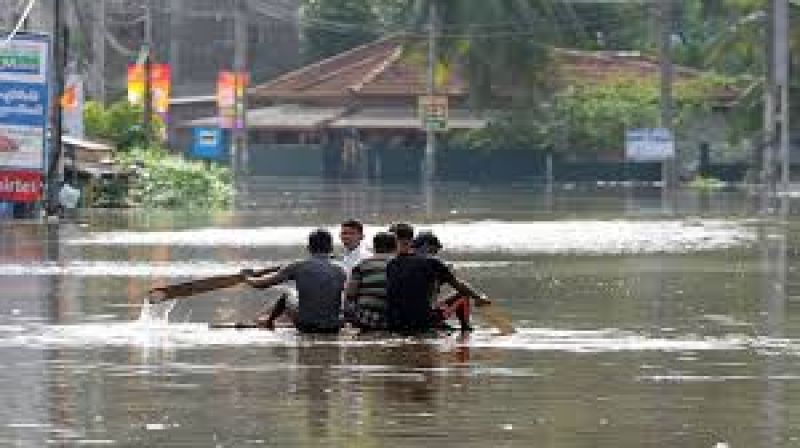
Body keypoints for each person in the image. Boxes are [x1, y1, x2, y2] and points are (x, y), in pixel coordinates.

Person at [385, 225, 491, 333]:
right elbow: (460, 286)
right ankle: (466, 329)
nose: (435, 254)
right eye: (434, 251)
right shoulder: (432, 262)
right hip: (423, 322)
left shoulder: (391, 264)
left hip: (395, 322)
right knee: (463, 295)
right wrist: (479, 298)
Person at [242, 228, 346, 334]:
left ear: (308, 248)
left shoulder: (298, 266)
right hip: (333, 326)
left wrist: (246, 277)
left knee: (288, 294)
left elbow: (260, 284)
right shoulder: (341, 270)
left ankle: (269, 322)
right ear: (331, 248)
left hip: (305, 324)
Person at [344, 232, 396, 331]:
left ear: (374, 247)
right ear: (395, 247)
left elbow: (350, 294)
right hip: (393, 319)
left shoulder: (362, 265)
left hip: (366, 318)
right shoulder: (400, 264)